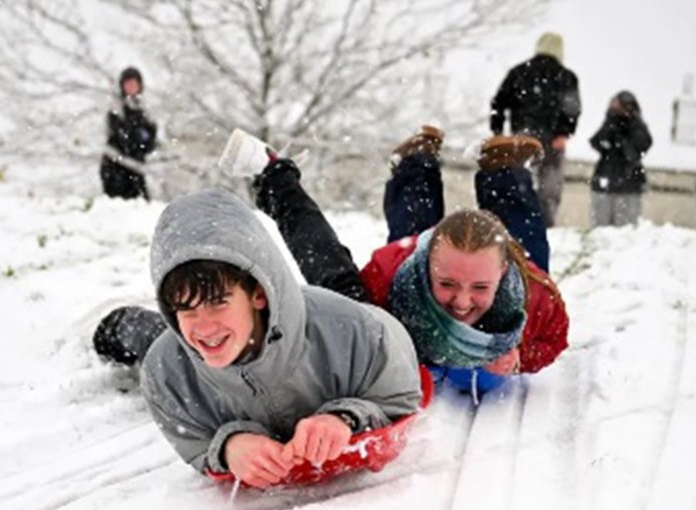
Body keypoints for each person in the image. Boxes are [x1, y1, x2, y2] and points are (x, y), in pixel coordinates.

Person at [92, 187, 423, 488]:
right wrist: (229, 446)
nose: (204, 324)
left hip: (312, 321)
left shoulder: (353, 330)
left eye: (218, 301)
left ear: (258, 294)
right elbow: (193, 442)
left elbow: (400, 393)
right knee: (153, 338)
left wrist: (346, 418)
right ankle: (117, 322)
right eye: (185, 308)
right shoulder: (166, 369)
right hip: (182, 348)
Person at [246, 127, 568, 398]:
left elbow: (555, 339)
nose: (463, 302)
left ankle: (505, 170)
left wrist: (520, 356)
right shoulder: (391, 278)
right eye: (447, 284)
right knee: (409, 225)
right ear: (426, 264)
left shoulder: (535, 297)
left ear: (502, 274)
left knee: (523, 242)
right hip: (412, 274)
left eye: (481, 287)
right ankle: (416, 161)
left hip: (502, 268)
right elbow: (325, 262)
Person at [490, 32, 581, 228]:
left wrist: (497, 131)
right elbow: (573, 109)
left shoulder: (519, 72)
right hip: (553, 139)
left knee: (521, 180)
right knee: (550, 185)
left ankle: (518, 220)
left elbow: (498, 102)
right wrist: (564, 133)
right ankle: (545, 224)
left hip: (522, 136)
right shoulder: (566, 77)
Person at [589, 91, 653, 227]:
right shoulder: (610, 123)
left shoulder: (637, 126)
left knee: (624, 230)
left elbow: (636, 151)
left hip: (628, 183)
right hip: (605, 180)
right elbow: (596, 142)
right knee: (600, 227)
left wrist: (622, 138)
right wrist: (611, 124)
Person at [99, 67, 158, 200]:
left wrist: (143, 142)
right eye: (128, 83)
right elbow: (122, 137)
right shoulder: (116, 109)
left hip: (136, 167)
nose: (131, 87)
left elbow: (151, 139)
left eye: (134, 83)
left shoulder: (145, 109)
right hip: (115, 165)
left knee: (142, 206)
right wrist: (138, 139)